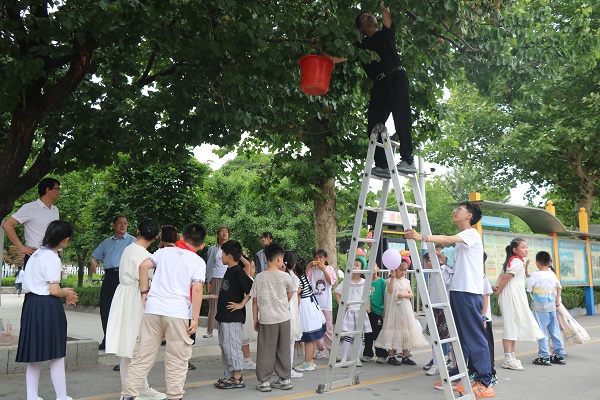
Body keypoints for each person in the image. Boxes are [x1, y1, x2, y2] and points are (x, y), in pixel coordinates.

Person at [405, 201, 495, 398]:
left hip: (468, 293)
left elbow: (446, 238)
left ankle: (485, 382)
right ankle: (460, 376)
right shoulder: (462, 242)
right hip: (457, 291)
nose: (455, 212)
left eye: (460, 209)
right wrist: (439, 256)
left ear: (469, 215)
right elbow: (453, 261)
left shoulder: (470, 234)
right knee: (461, 338)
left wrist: (422, 237)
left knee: (474, 337)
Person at [120, 223, 207, 400]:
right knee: (177, 359)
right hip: (178, 313)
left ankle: (128, 395)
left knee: (142, 356)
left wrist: (144, 292)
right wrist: (195, 319)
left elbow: (144, 266)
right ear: (202, 245)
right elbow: (197, 289)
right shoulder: (198, 261)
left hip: (153, 310)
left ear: (181, 236)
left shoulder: (163, 252)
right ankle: (174, 396)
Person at [16, 220, 78, 400]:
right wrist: (67, 293)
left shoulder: (36, 254)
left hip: (31, 305)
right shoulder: (52, 257)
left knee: (34, 356)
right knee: (56, 354)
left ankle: (32, 396)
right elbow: (54, 290)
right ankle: (61, 396)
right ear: (65, 240)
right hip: (47, 306)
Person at [104, 220, 165, 400]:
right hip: (137, 296)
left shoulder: (129, 248)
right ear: (156, 237)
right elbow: (151, 277)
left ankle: (140, 387)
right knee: (134, 345)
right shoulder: (146, 255)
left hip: (125, 295)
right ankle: (130, 391)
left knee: (130, 345)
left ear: (137, 231)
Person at [356, 2, 415, 178]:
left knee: (402, 117)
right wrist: (320, 49)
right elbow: (340, 57)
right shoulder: (360, 47)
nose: (370, 16)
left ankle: (407, 160)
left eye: (371, 15)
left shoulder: (385, 34)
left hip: (396, 77)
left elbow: (386, 16)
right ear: (361, 28)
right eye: (365, 17)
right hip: (380, 84)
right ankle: (381, 165)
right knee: (373, 124)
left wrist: (383, 7)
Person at [492, 238, 544, 371]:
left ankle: (511, 357)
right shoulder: (516, 261)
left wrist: (498, 288)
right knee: (510, 325)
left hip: (513, 295)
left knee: (513, 325)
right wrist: (498, 291)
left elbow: (502, 275)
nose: (526, 249)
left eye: (526, 247)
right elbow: (505, 277)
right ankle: (508, 359)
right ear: (515, 250)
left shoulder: (515, 260)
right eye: (523, 247)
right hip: (512, 296)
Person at [250, 243, 294, 392]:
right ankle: (285, 379)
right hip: (283, 318)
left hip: (267, 319)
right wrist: (282, 303)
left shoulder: (259, 278)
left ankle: (264, 382)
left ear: (266, 259)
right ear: (280, 259)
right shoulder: (285, 276)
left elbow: (254, 301)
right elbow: (291, 292)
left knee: (266, 350)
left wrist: (255, 319)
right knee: (283, 348)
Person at [90, 215, 136, 351]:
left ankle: (123, 341)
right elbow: (95, 256)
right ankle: (107, 339)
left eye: (125, 223)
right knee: (106, 309)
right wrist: (94, 261)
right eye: (120, 223)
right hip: (109, 277)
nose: (123, 225)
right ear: (114, 225)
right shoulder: (106, 242)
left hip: (124, 277)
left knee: (123, 310)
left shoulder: (132, 241)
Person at [375, 259, 427, 366]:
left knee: (406, 331)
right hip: (393, 310)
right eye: (401, 270)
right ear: (395, 269)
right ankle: (391, 356)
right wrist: (393, 277)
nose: (403, 272)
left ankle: (405, 355)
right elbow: (390, 291)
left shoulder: (406, 281)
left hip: (405, 310)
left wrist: (404, 295)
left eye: (405, 270)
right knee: (392, 330)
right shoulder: (389, 281)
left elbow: (411, 295)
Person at [2, 177, 61, 268]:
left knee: (54, 282)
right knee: (33, 282)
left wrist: (60, 249)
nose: (59, 192)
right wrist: (21, 247)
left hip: (53, 255)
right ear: (47, 189)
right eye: (57, 189)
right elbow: (7, 225)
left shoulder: (55, 210)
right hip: (35, 255)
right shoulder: (30, 208)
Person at [527, 251, 566, 366]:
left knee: (542, 332)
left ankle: (544, 357)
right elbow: (559, 287)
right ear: (549, 262)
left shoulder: (535, 275)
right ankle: (559, 355)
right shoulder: (551, 274)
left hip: (539, 308)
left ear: (537, 262)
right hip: (552, 306)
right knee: (554, 331)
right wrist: (557, 301)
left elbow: (530, 289)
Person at [335, 258, 373, 366]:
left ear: (362, 270)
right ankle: (344, 358)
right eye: (354, 265)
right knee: (348, 335)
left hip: (361, 312)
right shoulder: (347, 281)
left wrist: (368, 306)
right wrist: (341, 304)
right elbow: (337, 292)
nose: (355, 267)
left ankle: (356, 358)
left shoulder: (365, 282)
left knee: (358, 336)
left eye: (357, 265)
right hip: (351, 311)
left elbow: (367, 296)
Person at [293, 255, 326, 373]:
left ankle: (307, 363)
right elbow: (308, 267)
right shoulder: (304, 276)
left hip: (305, 308)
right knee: (312, 338)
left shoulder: (297, 280)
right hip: (312, 306)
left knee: (308, 337)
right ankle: (310, 361)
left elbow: (297, 294)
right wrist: (311, 264)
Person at [422, 252, 453, 376]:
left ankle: (451, 360)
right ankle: (436, 364)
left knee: (449, 337)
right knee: (436, 338)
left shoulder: (444, 270)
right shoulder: (434, 272)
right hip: (435, 307)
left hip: (445, 307)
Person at [307, 249, 337, 359]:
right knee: (316, 327)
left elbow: (331, 282)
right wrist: (309, 266)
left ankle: (331, 350)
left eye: (320, 258)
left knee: (328, 328)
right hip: (315, 304)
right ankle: (320, 349)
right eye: (316, 258)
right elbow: (305, 279)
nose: (318, 260)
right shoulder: (312, 270)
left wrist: (324, 270)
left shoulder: (330, 269)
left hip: (326, 304)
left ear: (326, 258)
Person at [203, 226, 230, 338]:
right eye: (222, 232)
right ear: (217, 235)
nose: (224, 234)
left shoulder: (231, 248)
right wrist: (208, 281)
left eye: (226, 232)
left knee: (226, 304)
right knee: (213, 304)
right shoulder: (212, 249)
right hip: (214, 277)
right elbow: (209, 265)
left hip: (227, 278)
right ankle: (209, 330)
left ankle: (224, 330)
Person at [282, 251, 305, 378]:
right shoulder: (293, 277)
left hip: (278, 311)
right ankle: (288, 369)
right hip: (290, 312)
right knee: (290, 342)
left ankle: (279, 367)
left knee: (280, 342)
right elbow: (292, 296)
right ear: (294, 264)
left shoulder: (279, 275)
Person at [361, 261, 388, 363]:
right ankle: (368, 353)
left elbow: (385, 298)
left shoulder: (382, 282)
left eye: (373, 266)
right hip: (367, 312)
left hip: (378, 312)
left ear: (378, 269)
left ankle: (382, 354)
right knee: (368, 334)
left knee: (378, 334)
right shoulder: (364, 282)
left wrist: (384, 310)